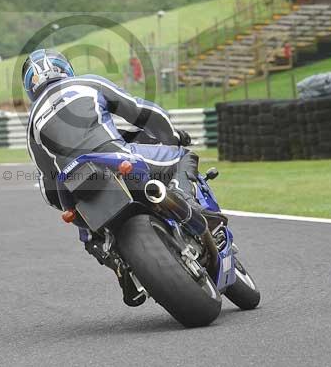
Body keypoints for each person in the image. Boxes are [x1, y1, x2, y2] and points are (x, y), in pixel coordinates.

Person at [22, 49, 206, 304]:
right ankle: (186, 201)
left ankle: (121, 267)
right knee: (184, 156)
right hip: (119, 160)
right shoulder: (87, 83)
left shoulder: (32, 123)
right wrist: (171, 137)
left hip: (75, 186)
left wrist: (67, 205)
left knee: (88, 235)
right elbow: (142, 111)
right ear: (64, 69)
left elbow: (47, 184)